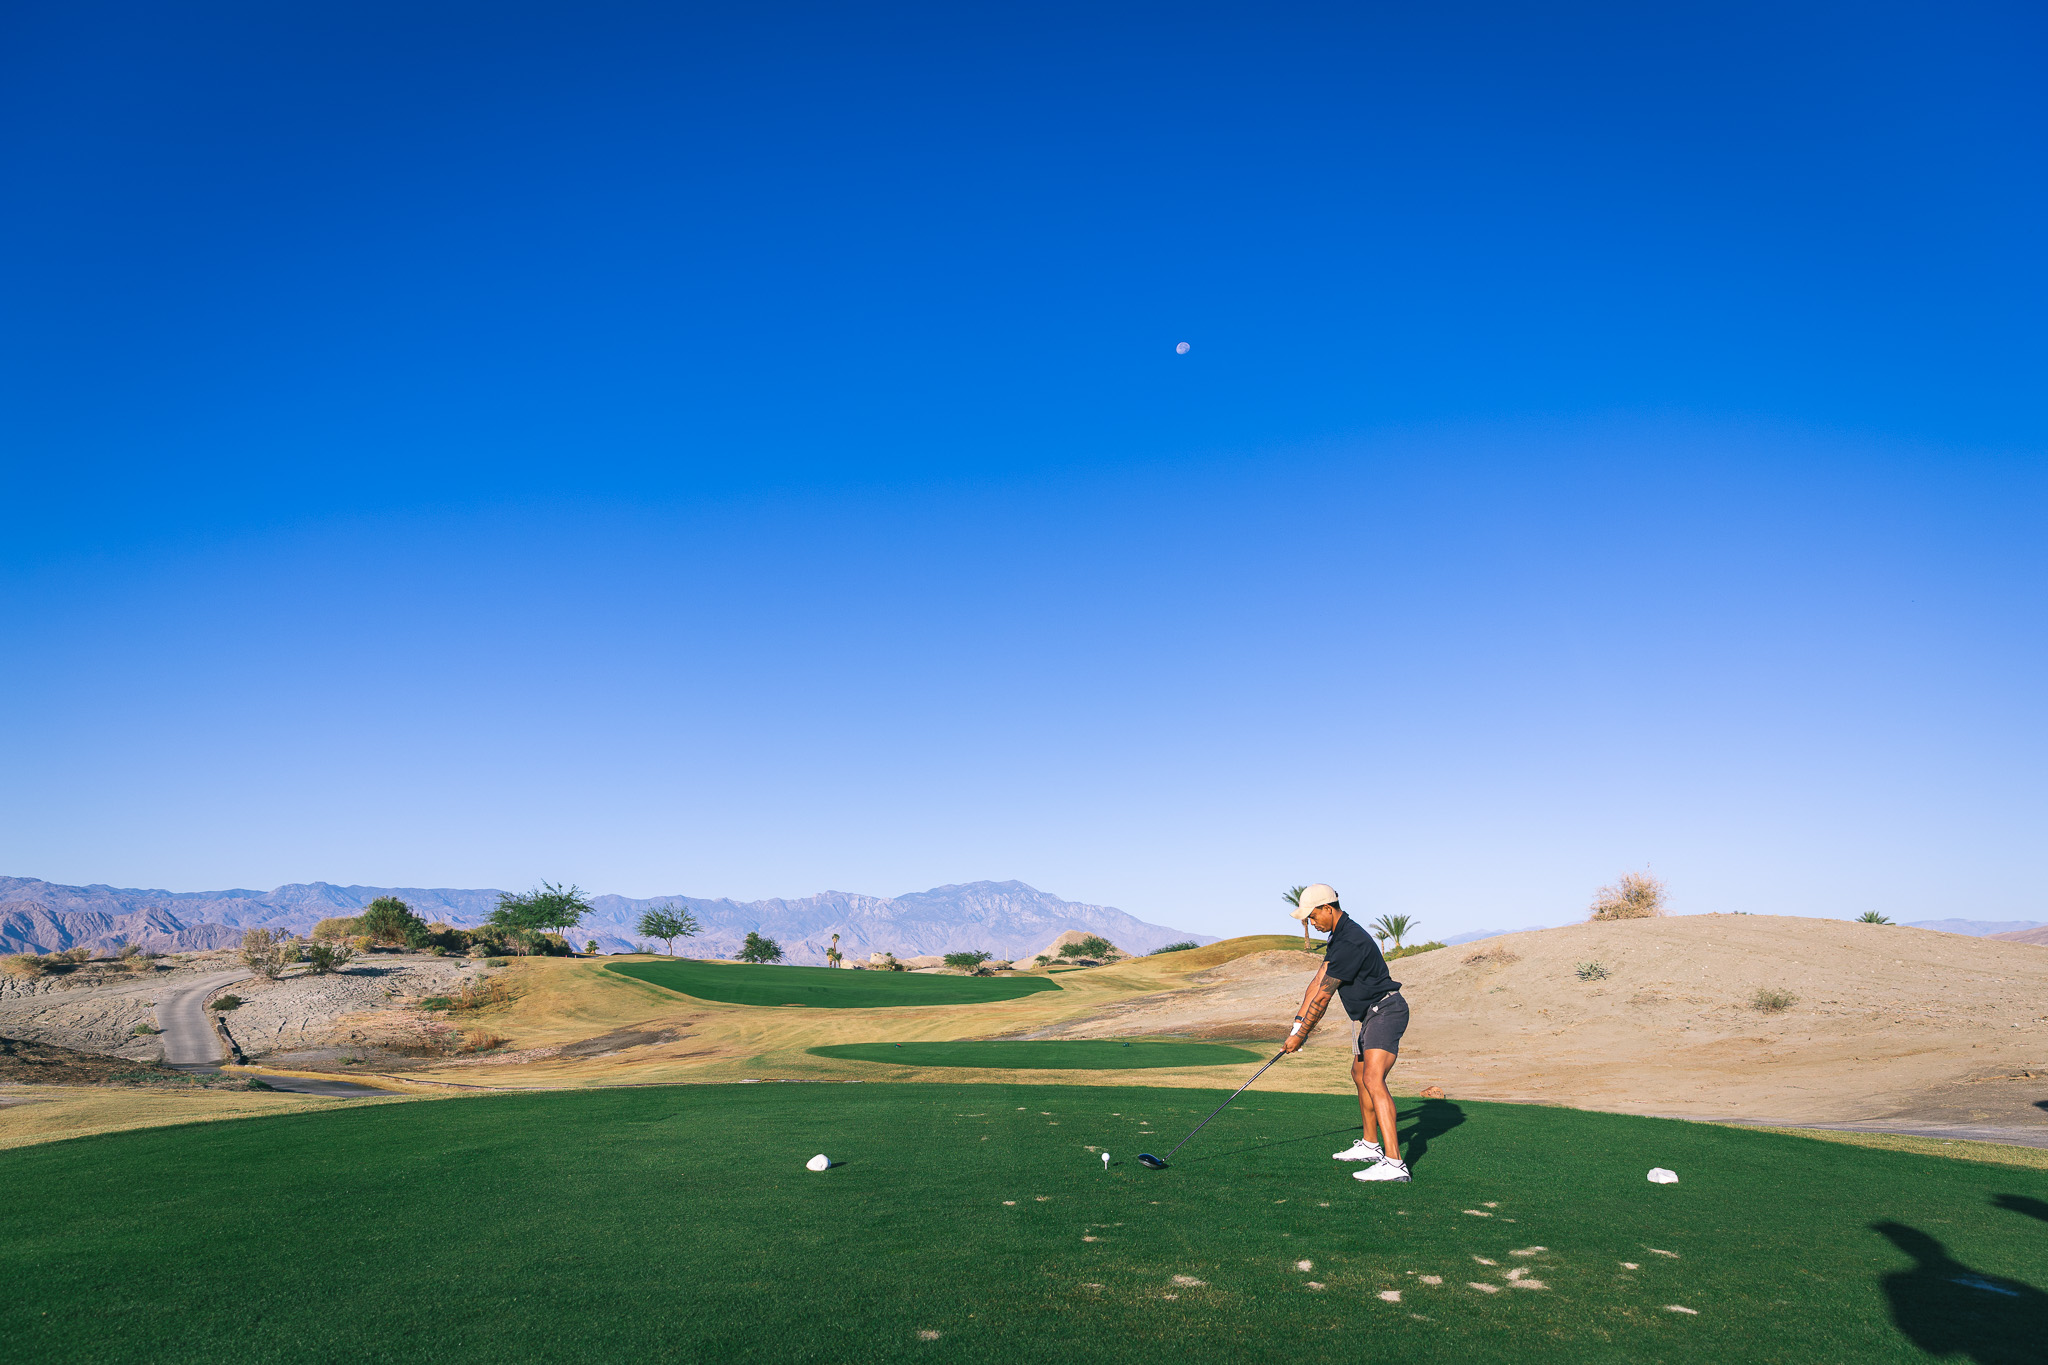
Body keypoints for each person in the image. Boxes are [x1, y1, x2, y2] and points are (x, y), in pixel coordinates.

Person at [1280, 883, 1412, 1183]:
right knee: (1359, 1074)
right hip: (1369, 1015)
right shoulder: (1338, 938)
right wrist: (1296, 1025)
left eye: (1312, 916)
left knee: (1372, 1078)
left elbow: (1325, 996)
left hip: (1386, 1011)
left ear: (1329, 908)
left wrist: (1302, 1037)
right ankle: (1370, 1145)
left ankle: (1394, 1164)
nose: (1310, 923)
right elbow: (1316, 983)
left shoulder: (1350, 941)